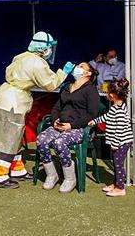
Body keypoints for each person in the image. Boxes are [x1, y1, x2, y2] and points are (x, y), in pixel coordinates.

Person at [0, 31, 73, 189]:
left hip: (8, 96)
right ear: (44, 48)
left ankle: (17, 169)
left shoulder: (21, 56)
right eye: (50, 47)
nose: (50, 51)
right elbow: (50, 85)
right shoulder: (37, 63)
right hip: (14, 101)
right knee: (10, 138)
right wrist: (63, 74)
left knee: (16, 136)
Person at [36, 62, 100, 193]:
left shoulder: (91, 89)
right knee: (41, 140)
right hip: (59, 125)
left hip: (79, 128)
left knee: (60, 142)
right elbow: (56, 108)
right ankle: (52, 174)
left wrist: (71, 125)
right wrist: (54, 121)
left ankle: (70, 178)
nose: (77, 67)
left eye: (81, 66)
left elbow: (92, 114)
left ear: (89, 73)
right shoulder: (67, 87)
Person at [89, 79, 134, 197]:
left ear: (112, 95)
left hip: (121, 142)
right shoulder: (115, 107)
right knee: (115, 163)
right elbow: (106, 117)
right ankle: (115, 184)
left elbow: (120, 129)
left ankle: (120, 188)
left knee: (118, 164)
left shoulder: (119, 110)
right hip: (119, 142)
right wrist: (95, 121)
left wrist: (115, 143)